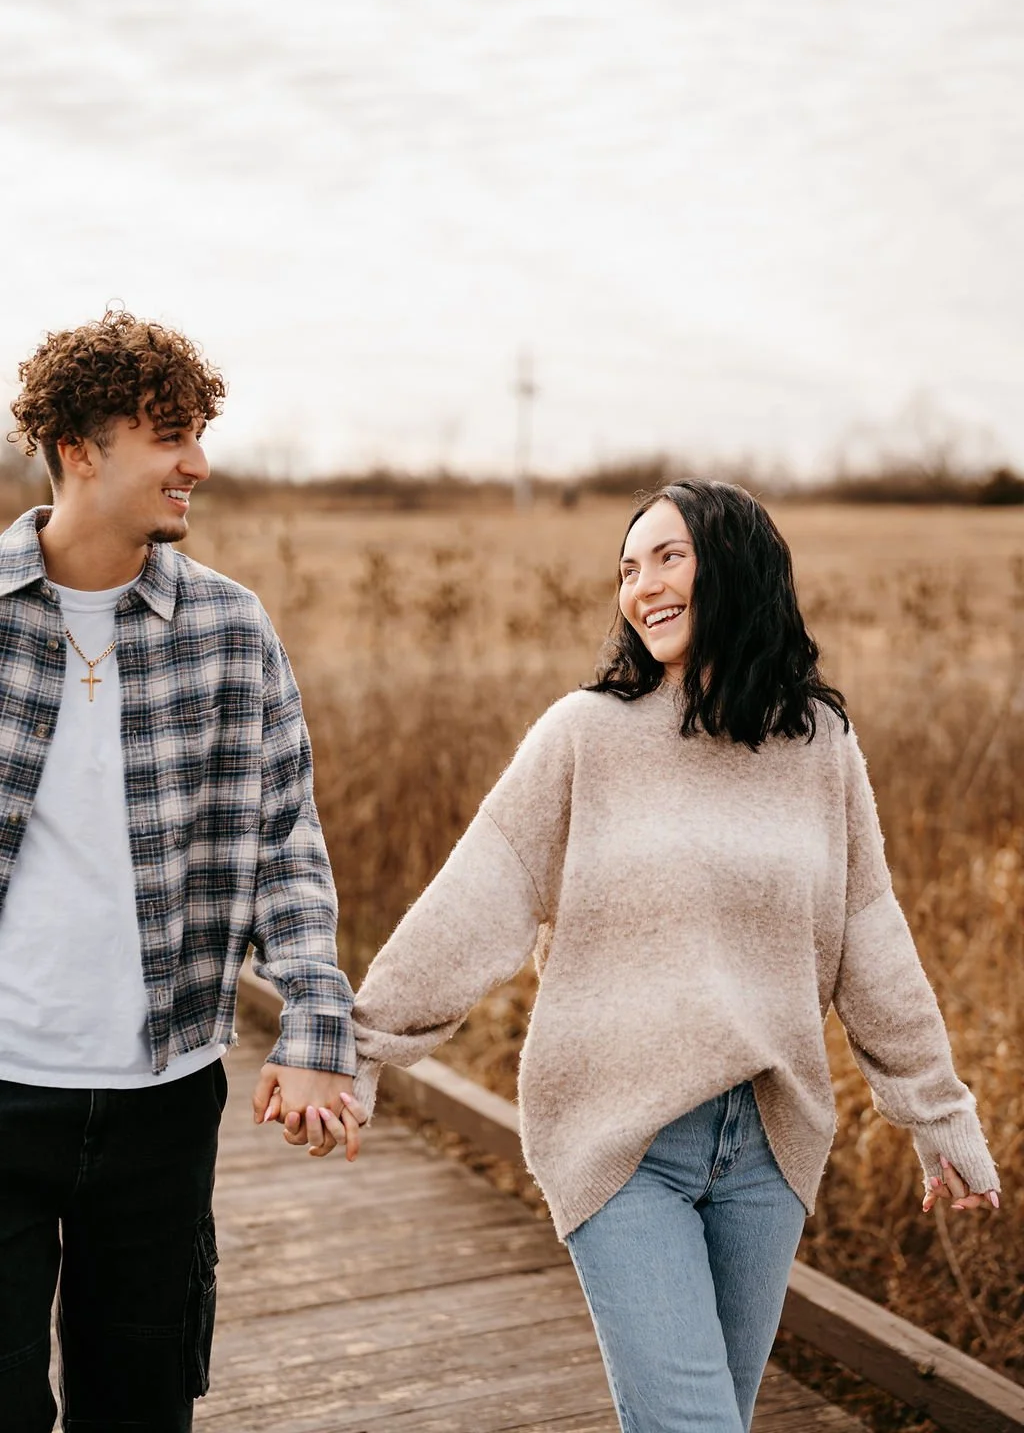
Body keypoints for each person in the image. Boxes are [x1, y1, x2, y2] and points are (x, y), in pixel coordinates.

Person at [316, 480, 1001, 1433]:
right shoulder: (585, 735)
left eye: (668, 557)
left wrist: (938, 1113)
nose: (642, 587)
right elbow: (485, 892)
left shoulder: (820, 743)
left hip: (768, 1143)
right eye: (628, 569)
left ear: (737, 564)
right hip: (622, 1138)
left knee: (720, 1413)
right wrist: (360, 1045)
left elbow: (869, 932)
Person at [0, 310, 362, 1433]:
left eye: (197, 433)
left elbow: (285, 846)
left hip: (165, 1093)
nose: (196, 462)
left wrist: (315, 1031)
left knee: (143, 1404)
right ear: (78, 450)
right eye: (168, 435)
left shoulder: (229, 629)